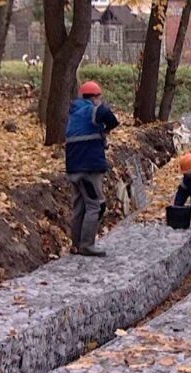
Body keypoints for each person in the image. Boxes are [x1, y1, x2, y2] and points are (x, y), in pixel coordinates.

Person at [65, 81, 118, 257]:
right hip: (88, 168)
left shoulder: (75, 112)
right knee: (95, 205)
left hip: (73, 168)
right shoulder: (92, 110)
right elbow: (111, 119)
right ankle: (87, 245)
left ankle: (76, 245)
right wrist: (106, 130)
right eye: (99, 97)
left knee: (79, 206)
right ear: (95, 97)